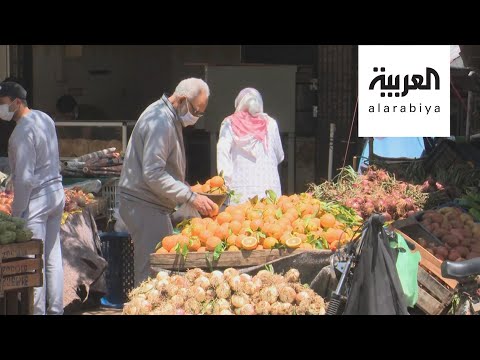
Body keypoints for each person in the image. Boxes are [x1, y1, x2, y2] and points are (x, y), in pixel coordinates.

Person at [118, 78, 216, 286]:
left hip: (152, 204)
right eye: (196, 111)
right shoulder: (161, 122)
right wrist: (190, 197)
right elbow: (153, 174)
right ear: (181, 99)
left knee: (159, 269)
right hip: (144, 203)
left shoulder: (168, 116)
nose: (196, 117)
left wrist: (186, 189)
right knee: (152, 273)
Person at [0, 81, 65, 315]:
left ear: (17, 102)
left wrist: (17, 213)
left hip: (38, 199)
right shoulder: (44, 118)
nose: (1, 108)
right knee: (52, 256)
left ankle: (37, 312)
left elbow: (25, 179)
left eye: (4, 103)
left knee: (33, 261)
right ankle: (56, 310)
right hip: (56, 193)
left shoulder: (20, 133)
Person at [217, 88, 284, 204]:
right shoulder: (271, 123)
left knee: (239, 221)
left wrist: (224, 180)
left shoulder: (229, 123)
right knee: (272, 221)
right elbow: (279, 156)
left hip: (240, 192)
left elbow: (222, 151)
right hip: (269, 192)